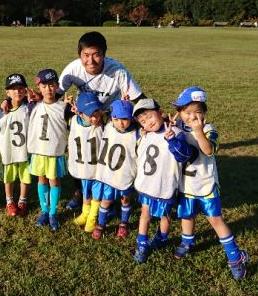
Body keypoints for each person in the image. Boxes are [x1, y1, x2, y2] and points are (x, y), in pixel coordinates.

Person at [57, 31, 145, 211]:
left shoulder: (117, 71)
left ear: (104, 53)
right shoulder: (73, 69)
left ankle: (108, 196)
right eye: (86, 55)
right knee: (80, 154)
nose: (90, 61)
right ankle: (80, 192)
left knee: (106, 157)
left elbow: (139, 98)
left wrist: (153, 116)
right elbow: (54, 94)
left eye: (96, 55)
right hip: (86, 116)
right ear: (79, 54)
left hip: (109, 119)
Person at [171, 86, 249, 279]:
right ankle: (187, 241)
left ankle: (235, 256)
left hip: (206, 185)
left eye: (197, 112)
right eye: (186, 112)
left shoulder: (208, 129)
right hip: (186, 184)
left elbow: (209, 151)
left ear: (204, 112)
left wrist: (198, 132)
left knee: (215, 219)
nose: (191, 117)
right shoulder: (177, 126)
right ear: (179, 112)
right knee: (187, 216)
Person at [131, 98, 192, 263]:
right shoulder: (144, 135)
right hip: (147, 185)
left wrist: (172, 139)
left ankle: (161, 238)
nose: (148, 123)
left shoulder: (176, 132)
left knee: (165, 216)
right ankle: (142, 244)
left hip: (165, 185)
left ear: (160, 112)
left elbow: (184, 155)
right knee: (145, 214)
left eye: (150, 117)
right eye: (143, 121)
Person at [27, 69, 73, 231]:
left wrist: (72, 106)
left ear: (57, 86)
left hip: (54, 152)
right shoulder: (33, 106)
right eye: (44, 86)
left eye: (52, 85)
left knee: (54, 181)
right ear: (39, 87)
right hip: (39, 151)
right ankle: (44, 210)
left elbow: (75, 116)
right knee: (42, 180)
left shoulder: (63, 107)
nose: (48, 89)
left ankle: (53, 212)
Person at [0, 74, 31, 217]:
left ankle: (22, 200)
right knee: (8, 178)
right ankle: (9, 201)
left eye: (21, 88)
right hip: (8, 152)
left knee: (25, 178)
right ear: (7, 92)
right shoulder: (0, 111)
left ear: (26, 90)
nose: (17, 92)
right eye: (13, 89)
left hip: (25, 151)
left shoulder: (29, 108)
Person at [93, 99, 139, 239]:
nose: (120, 123)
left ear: (131, 118)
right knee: (106, 200)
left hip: (125, 174)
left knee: (125, 199)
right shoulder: (108, 124)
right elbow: (98, 113)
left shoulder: (137, 133)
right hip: (109, 174)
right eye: (116, 118)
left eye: (125, 119)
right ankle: (101, 224)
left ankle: (123, 223)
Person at [69, 93, 106, 234]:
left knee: (97, 194)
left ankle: (92, 217)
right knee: (86, 191)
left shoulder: (105, 122)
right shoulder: (74, 121)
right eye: (90, 115)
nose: (95, 118)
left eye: (97, 113)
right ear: (80, 113)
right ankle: (85, 213)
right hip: (83, 167)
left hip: (98, 169)